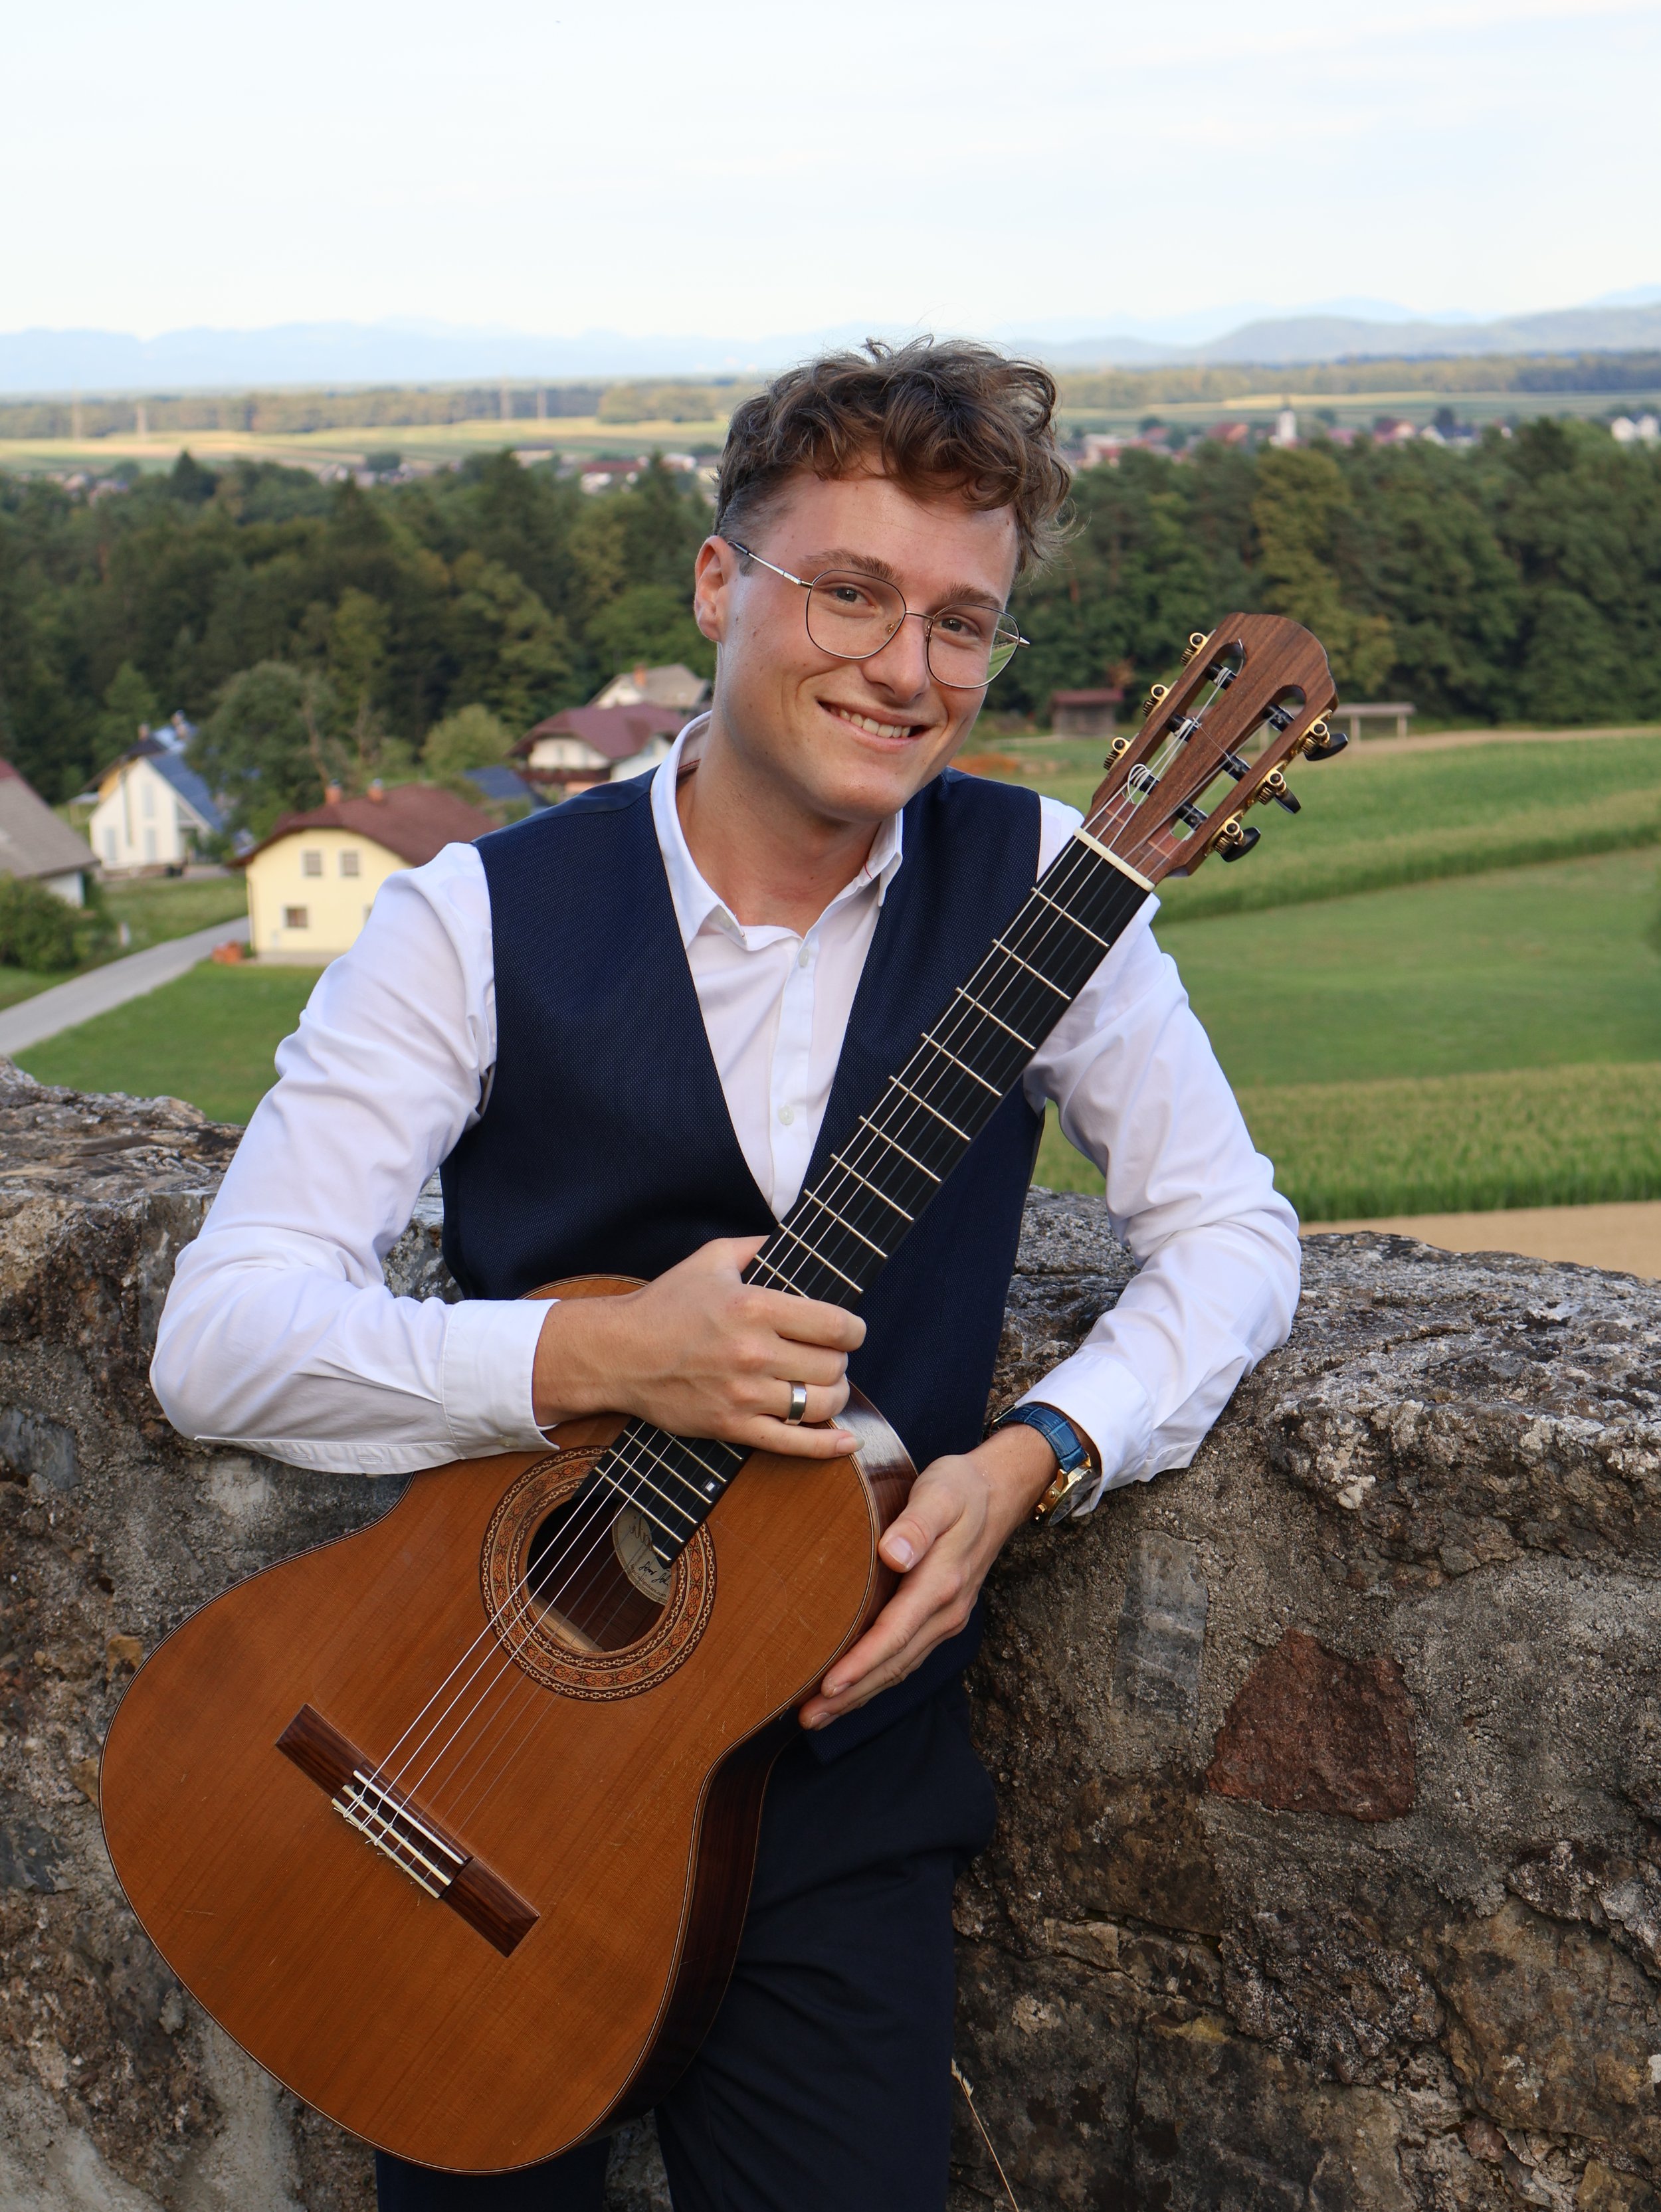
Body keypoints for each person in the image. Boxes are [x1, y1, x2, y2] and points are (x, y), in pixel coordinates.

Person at [151, 339, 1300, 2212]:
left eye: (960, 621)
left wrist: (1036, 1454)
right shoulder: (474, 920)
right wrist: (598, 1355)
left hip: (832, 1801)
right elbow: (221, 1338)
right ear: (715, 584)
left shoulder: (1042, 885)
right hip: (461, 1767)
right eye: (846, 590)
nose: (903, 667)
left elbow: (1232, 1230)